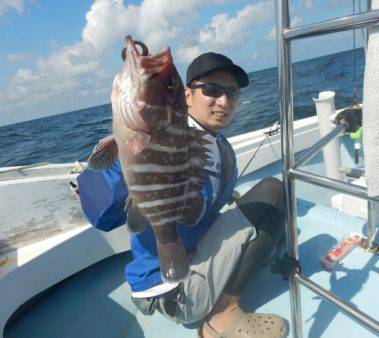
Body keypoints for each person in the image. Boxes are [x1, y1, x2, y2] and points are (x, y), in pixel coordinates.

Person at [77, 52, 288, 338]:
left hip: (193, 262)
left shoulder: (222, 148)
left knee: (268, 202)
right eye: (212, 90)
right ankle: (220, 322)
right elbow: (100, 211)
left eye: (232, 93)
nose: (224, 101)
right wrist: (127, 152)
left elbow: (202, 211)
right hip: (169, 290)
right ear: (187, 97)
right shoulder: (154, 135)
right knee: (272, 194)